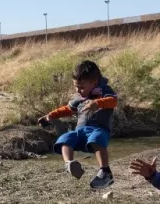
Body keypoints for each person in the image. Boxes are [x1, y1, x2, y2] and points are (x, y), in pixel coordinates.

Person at [37, 60, 117, 189]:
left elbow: (113, 101)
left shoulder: (104, 91)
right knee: (65, 139)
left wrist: (97, 103)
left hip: (99, 129)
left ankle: (105, 173)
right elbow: (68, 109)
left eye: (81, 87)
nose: (78, 90)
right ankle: (69, 163)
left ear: (94, 83)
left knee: (96, 138)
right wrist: (51, 115)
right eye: (76, 86)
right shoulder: (78, 97)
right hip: (80, 131)